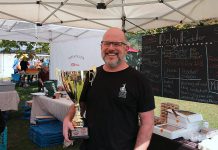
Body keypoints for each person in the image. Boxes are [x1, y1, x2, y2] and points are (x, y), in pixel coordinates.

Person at [63, 27, 155, 150]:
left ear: (126, 49)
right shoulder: (91, 75)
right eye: (106, 43)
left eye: (117, 44)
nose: (111, 48)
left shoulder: (140, 81)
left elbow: (147, 123)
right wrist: (68, 118)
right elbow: (80, 103)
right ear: (101, 47)